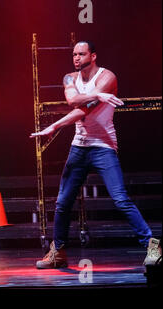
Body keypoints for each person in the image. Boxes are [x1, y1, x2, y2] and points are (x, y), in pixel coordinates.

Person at [30, 41, 161, 269]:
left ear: (93, 55)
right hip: (79, 147)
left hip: (103, 146)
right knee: (62, 203)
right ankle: (57, 251)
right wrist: (97, 96)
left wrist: (56, 125)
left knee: (120, 199)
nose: (76, 58)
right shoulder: (69, 78)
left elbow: (85, 107)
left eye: (81, 54)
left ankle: (153, 244)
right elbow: (73, 101)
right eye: (74, 54)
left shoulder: (106, 76)